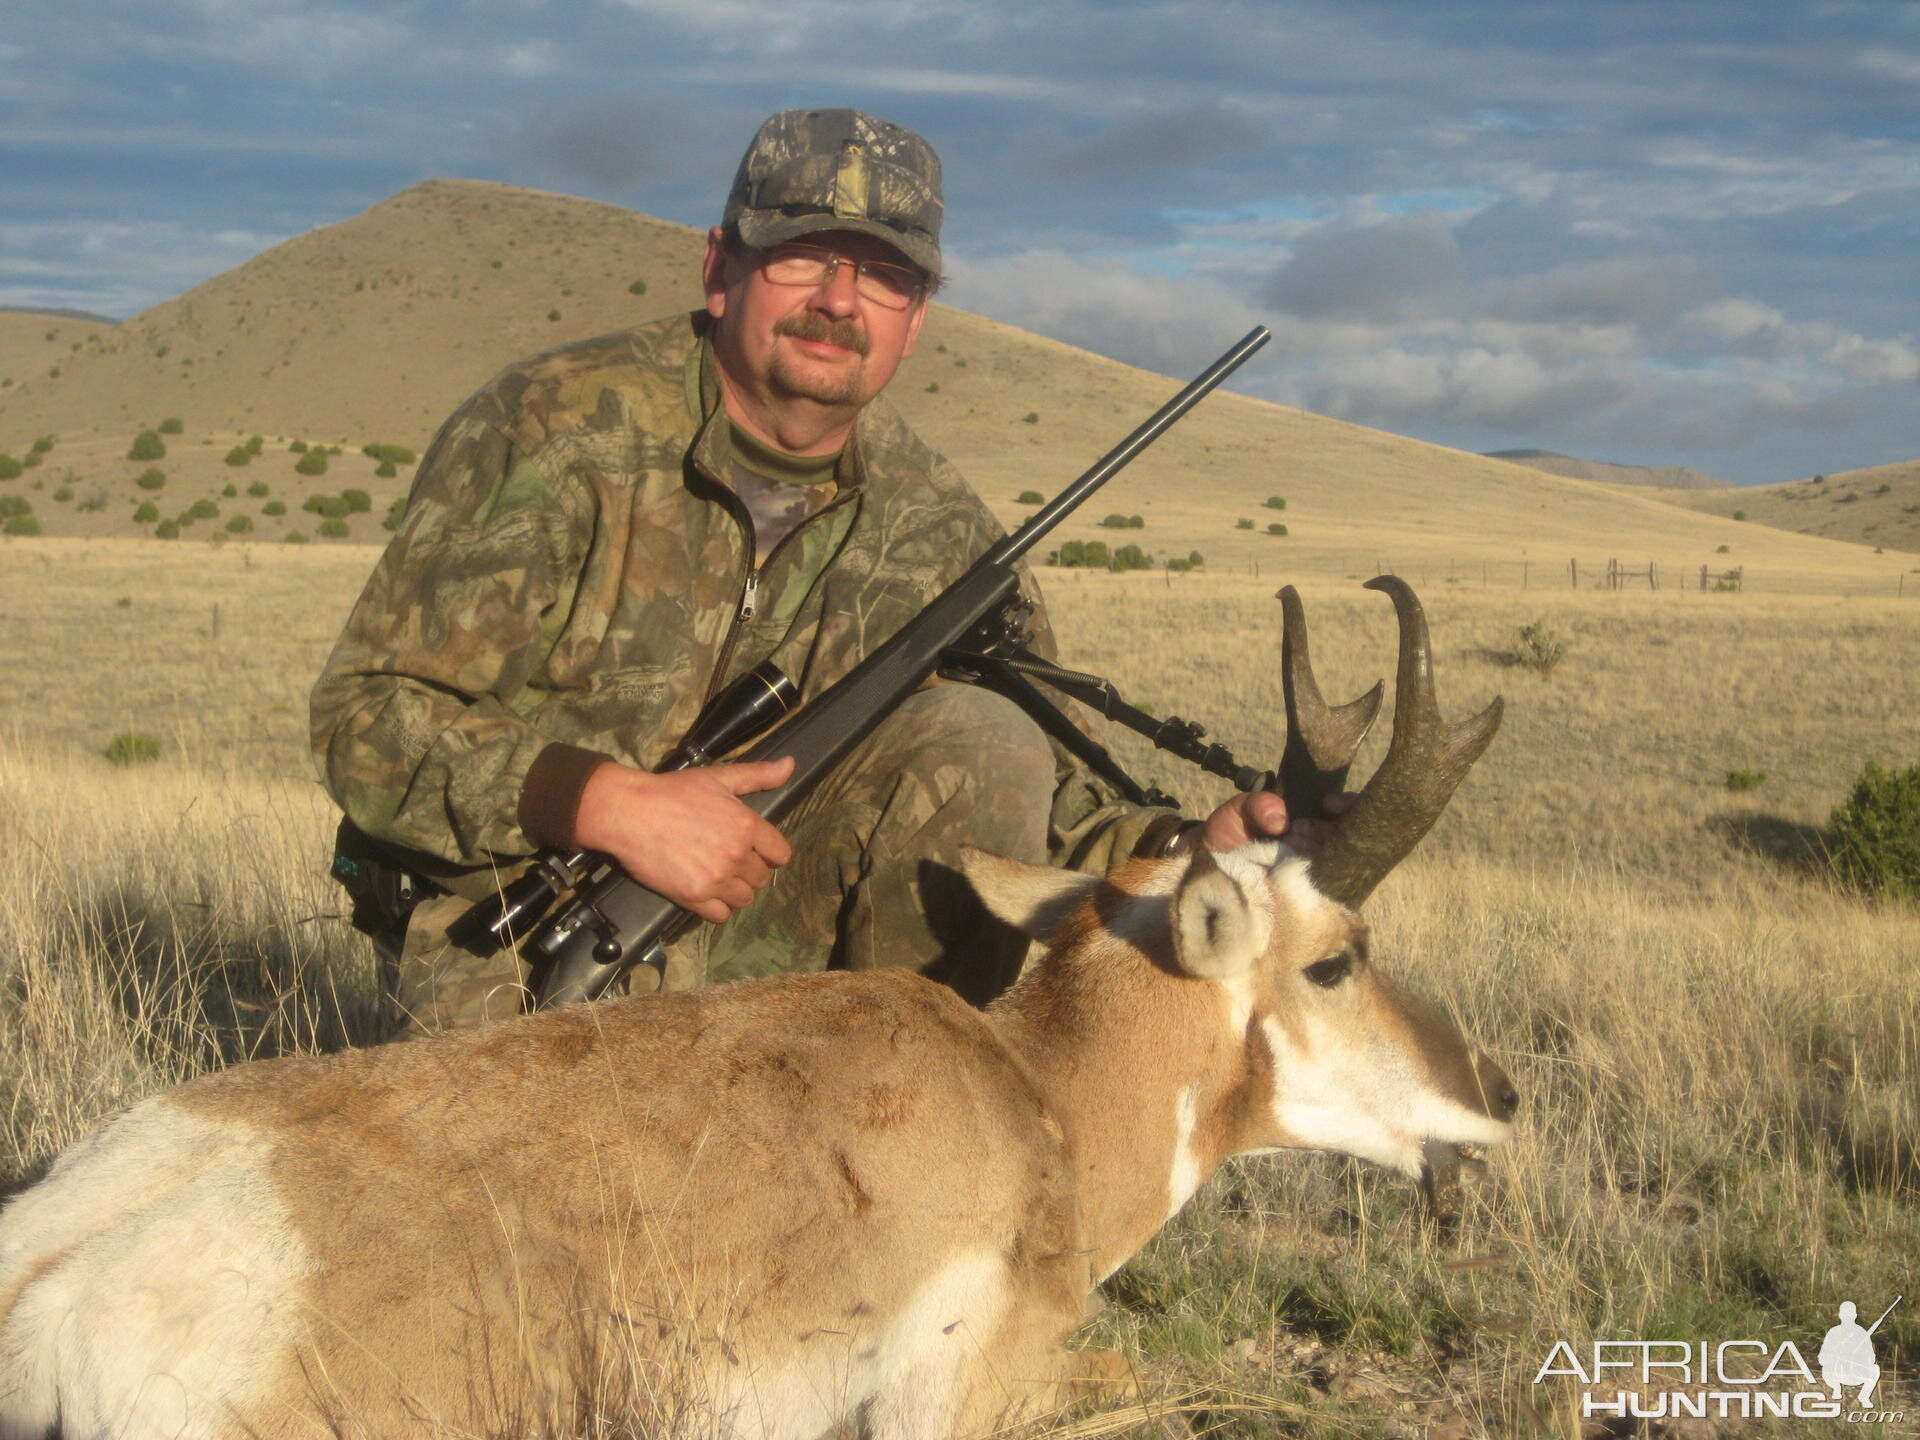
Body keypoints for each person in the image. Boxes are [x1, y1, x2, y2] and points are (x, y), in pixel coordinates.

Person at [312, 107, 1297, 1036]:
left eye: (884, 277)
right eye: (804, 257)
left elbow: (1056, 813)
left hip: (778, 932)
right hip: (529, 929)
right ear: (720, 270)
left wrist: (1182, 853)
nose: (838, 301)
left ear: (914, 321)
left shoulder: (942, 535)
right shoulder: (553, 427)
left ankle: (896, 1114)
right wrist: (608, 805)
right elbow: (365, 717)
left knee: (984, 738)